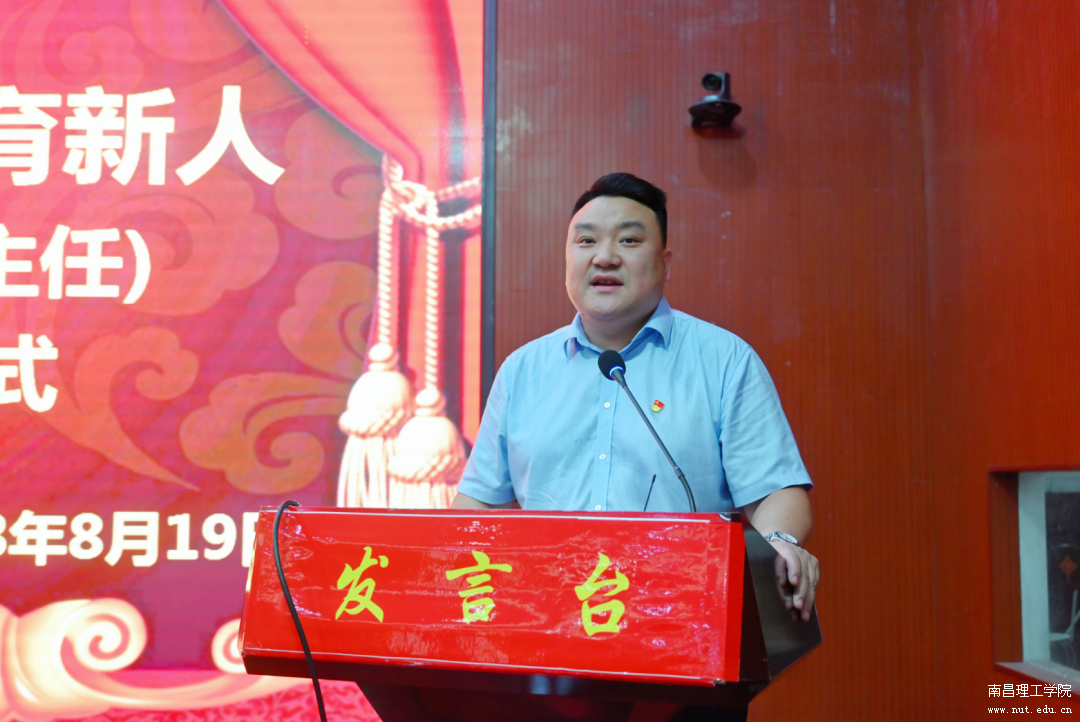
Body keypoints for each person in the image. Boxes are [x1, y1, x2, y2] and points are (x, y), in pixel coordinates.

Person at [451, 172, 819, 721]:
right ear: (567, 258)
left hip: (684, 643)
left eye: (628, 239)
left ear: (665, 261)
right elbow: (477, 504)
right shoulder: (522, 371)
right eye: (586, 241)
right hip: (543, 652)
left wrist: (780, 543)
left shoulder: (723, 360)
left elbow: (776, 491)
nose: (604, 256)